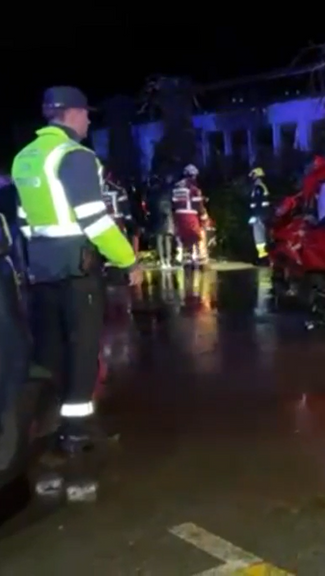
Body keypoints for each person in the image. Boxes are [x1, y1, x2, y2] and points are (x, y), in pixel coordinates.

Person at [10, 86, 142, 453]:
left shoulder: (26, 158)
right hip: (77, 267)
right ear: (70, 113)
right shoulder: (75, 156)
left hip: (41, 266)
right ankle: (79, 430)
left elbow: (23, 219)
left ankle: (46, 429)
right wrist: (127, 260)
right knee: (83, 347)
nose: (88, 120)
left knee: (49, 349)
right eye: (86, 113)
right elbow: (94, 220)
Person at [171, 164, 209, 267]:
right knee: (195, 235)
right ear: (193, 175)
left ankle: (179, 255)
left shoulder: (176, 187)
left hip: (178, 215)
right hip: (190, 215)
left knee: (180, 235)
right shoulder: (193, 189)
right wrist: (204, 215)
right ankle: (194, 255)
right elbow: (198, 204)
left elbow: (174, 203)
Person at [248, 167, 271, 261]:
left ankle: (263, 257)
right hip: (262, 214)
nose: (252, 178)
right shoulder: (261, 186)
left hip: (259, 215)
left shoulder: (258, 187)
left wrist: (254, 216)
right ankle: (263, 256)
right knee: (262, 235)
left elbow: (258, 203)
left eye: (253, 176)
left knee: (259, 236)